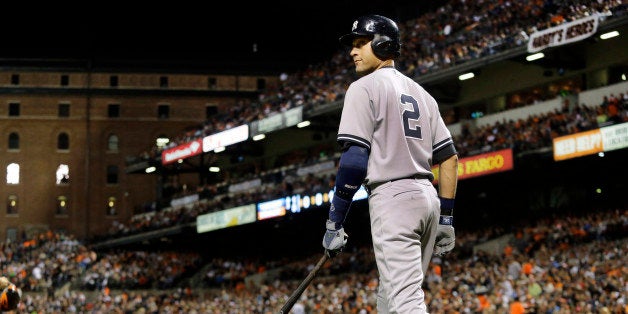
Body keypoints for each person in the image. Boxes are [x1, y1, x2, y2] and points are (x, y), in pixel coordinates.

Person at [322, 14, 459, 313]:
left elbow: (354, 161)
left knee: (405, 304)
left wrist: (335, 220)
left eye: (360, 43)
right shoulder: (423, 95)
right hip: (428, 201)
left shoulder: (363, 87)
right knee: (390, 299)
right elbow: (448, 157)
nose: (352, 51)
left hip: (394, 200)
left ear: (383, 45)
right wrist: (446, 217)